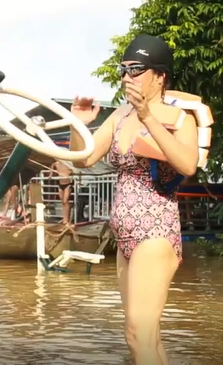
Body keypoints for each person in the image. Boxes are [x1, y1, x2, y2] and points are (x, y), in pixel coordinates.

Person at [69, 35, 198, 365]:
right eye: (123, 69)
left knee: (138, 333)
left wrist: (148, 117)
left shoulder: (180, 118)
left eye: (136, 69)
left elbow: (187, 165)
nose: (127, 77)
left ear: (159, 75)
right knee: (145, 336)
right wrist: (77, 126)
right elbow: (82, 159)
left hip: (155, 231)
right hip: (123, 234)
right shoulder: (118, 116)